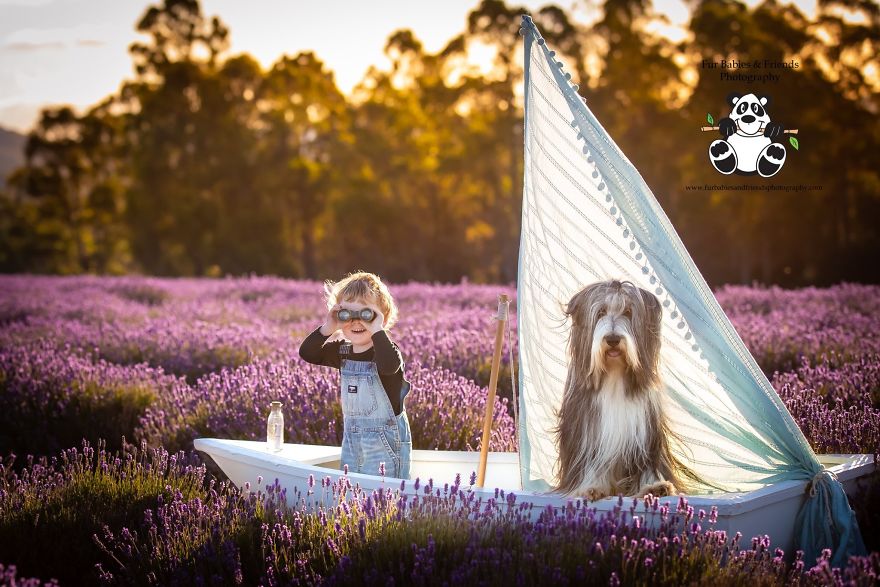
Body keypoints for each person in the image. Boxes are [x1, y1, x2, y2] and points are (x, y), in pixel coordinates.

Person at [299, 271, 412, 479]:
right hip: (352, 441)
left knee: (384, 493)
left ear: (382, 319)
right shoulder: (342, 351)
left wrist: (377, 330)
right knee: (352, 491)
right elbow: (308, 353)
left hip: (385, 445)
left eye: (366, 314)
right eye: (347, 314)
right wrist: (329, 327)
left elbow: (389, 366)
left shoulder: (387, 352)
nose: (357, 321)